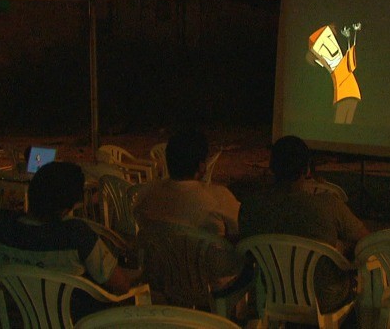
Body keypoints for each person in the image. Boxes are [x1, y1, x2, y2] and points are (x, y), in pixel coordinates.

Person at [239, 135, 369, 314]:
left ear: (272, 167)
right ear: (307, 170)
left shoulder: (250, 207)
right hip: (324, 298)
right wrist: (343, 247)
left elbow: (248, 253)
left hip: (271, 294)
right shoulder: (328, 205)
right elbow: (367, 241)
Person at [0, 162, 132, 300]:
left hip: (16, 313)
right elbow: (121, 285)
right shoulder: (76, 235)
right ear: (67, 208)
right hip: (73, 319)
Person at [133, 129, 242, 286]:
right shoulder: (219, 197)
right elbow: (238, 232)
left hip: (163, 279)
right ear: (201, 166)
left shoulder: (146, 194)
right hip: (212, 283)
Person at [305, 23, 362, 124]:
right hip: (344, 96)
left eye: (329, 38)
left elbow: (351, 60)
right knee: (341, 123)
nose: (330, 48)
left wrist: (352, 36)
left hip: (350, 94)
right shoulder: (335, 69)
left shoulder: (343, 62)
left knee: (344, 123)